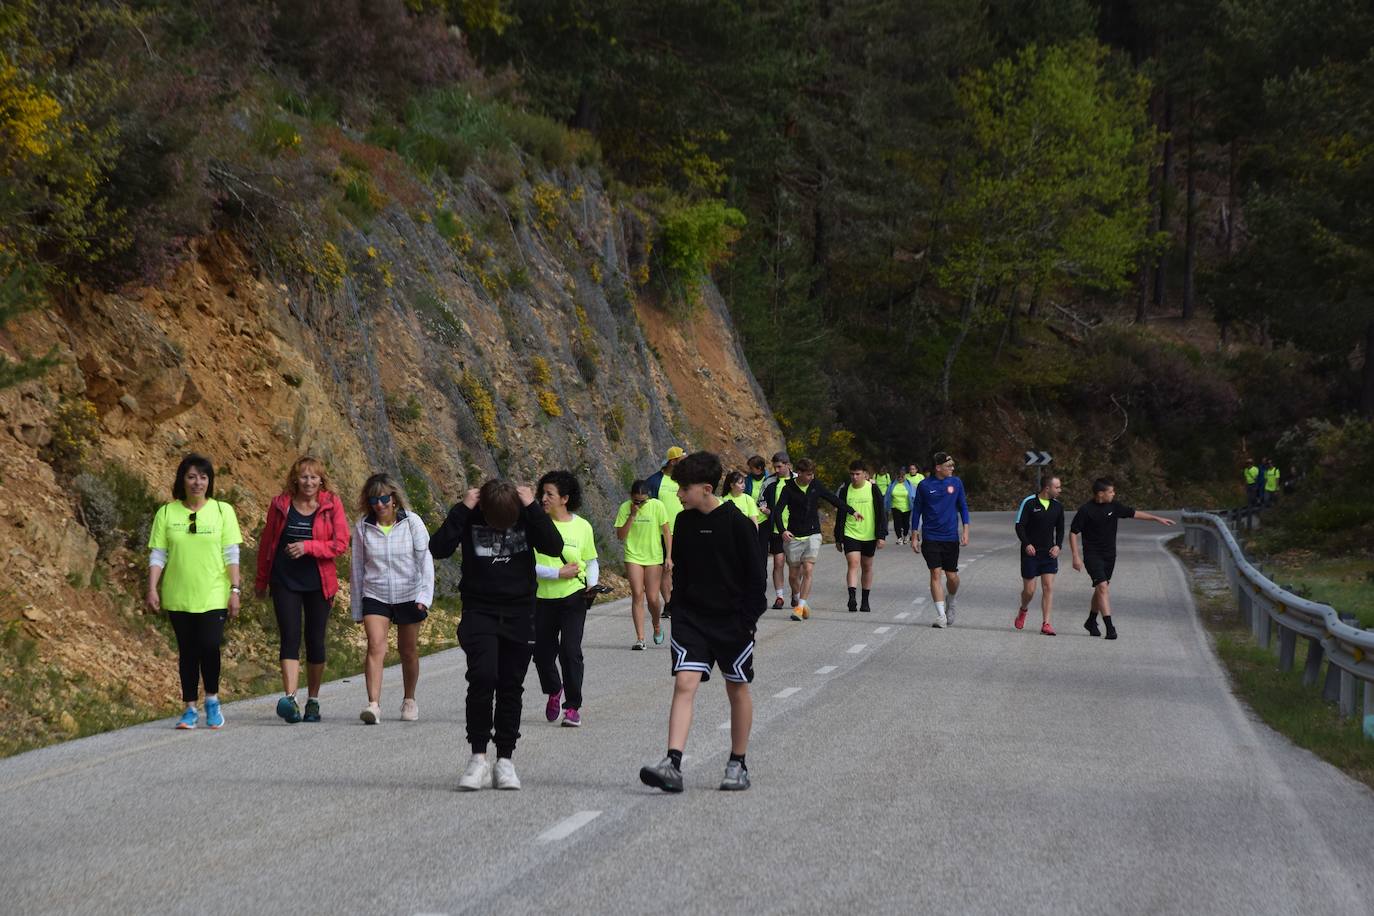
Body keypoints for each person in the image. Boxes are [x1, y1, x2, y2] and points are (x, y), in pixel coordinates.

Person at [639, 451, 766, 793]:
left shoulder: (739, 524)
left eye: (684, 488)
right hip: (691, 619)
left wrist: (746, 622)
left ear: (707, 488)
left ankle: (737, 763)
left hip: (732, 622)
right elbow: (682, 571)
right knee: (684, 684)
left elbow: (756, 581)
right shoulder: (684, 522)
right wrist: (677, 608)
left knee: (736, 687)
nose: (678, 494)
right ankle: (672, 763)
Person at [432, 479, 562, 791]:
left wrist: (532, 507)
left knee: (510, 684)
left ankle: (505, 760)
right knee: (482, 676)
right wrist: (462, 510)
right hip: (479, 610)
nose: (501, 529)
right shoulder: (469, 513)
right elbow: (438, 548)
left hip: (520, 612)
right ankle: (478, 758)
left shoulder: (527, 513)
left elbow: (554, 547)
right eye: (494, 523)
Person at [146, 453, 243, 730]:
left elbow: (231, 553)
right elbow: (158, 554)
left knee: (210, 645)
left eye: (203, 477)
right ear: (182, 480)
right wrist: (152, 587)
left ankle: (212, 699)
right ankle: (190, 707)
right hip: (178, 594)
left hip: (213, 592)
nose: (197, 482)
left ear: (209, 481)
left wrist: (234, 589)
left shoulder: (223, 511)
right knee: (187, 651)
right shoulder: (166, 513)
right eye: (191, 476)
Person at [255, 456, 350, 724]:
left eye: (313, 477)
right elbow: (268, 543)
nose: (308, 482)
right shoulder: (280, 504)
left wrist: (308, 547)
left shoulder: (332, 505)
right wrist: (261, 581)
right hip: (284, 579)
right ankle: (291, 699)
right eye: (304, 477)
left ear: (322, 480)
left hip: (319, 581)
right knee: (290, 636)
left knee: (315, 640)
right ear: (295, 479)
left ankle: (314, 700)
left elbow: (340, 544)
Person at [350, 473, 434, 724]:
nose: (380, 504)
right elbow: (356, 568)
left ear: (394, 499)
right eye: (374, 499)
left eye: (384, 498)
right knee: (376, 646)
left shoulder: (412, 523)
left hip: (409, 593)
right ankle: (373, 705)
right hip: (376, 594)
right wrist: (357, 608)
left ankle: (409, 699)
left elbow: (425, 560)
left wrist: (424, 596)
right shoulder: (363, 526)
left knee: (407, 650)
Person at [1069, 477, 1176, 640]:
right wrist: (1076, 556)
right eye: (1110, 491)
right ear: (1100, 493)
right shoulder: (1086, 510)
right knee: (1103, 587)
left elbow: (1134, 513)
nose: (1113, 494)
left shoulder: (1114, 507)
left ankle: (1091, 621)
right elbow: (1073, 532)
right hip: (1092, 555)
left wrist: (1156, 518)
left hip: (1110, 555)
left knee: (1100, 588)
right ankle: (1110, 628)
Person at [534, 470, 599, 728]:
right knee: (541, 654)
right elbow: (526, 566)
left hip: (573, 597)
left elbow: (591, 561)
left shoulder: (582, 526)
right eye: (542, 493)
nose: (543, 498)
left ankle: (572, 707)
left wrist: (592, 585)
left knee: (570, 651)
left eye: (549, 494)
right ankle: (553, 689)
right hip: (540, 598)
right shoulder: (535, 525)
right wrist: (556, 573)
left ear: (565, 498)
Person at [775, 457, 857, 620]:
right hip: (794, 535)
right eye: (808, 474)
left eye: (813, 474)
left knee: (808, 569)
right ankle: (801, 602)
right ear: (799, 473)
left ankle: (799, 607)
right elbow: (777, 511)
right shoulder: (788, 488)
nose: (811, 477)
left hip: (813, 533)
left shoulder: (816, 485)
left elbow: (833, 499)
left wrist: (852, 511)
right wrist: (783, 530)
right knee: (793, 575)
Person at [909, 452, 969, 629]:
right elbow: (917, 510)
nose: (952, 468)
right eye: (949, 465)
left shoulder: (956, 483)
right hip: (931, 536)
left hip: (950, 536)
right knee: (935, 573)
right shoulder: (924, 486)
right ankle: (941, 615)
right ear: (938, 467)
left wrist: (966, 529)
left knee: (952, 577)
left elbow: (963, 506)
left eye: (952, 465)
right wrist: (914, 534)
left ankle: (951, 599)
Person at [615, 480, 672, 649]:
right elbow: (620, 535)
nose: (639, 503)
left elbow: (667, 532)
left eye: (642, 501)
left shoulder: (657, 506)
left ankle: (656, 625)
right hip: (633, 556)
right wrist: (632, 515)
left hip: (654, 557)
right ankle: (640, 639)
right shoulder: (625, 508)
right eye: (636, 500)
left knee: (653, 598)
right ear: (631, 497)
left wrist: (668, 556)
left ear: (649, 497)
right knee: (637, 594)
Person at [1013, 476, 1064, 635]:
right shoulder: (1029, 502)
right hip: (1030, 552)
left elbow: (1061, 529)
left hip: (1048, 553)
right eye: (1057, 487)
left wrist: (1058, 546)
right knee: (1030, 591)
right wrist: (1027, 544)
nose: (1060, 490)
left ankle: (1046, 623)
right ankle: (1023, 609)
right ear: (1047, 488)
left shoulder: (1058, 506)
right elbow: (1019, 526)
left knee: (1048, 587)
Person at [834, 461, 887, 613]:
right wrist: (838, 537)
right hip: (850, 532)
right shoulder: (845, 490)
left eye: (858, 474)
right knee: (853, 563)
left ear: (865, 474)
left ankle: (865, 600)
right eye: (852, 474)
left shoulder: (873, 489)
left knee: (867, 566)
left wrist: (881, 535)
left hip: (869, 534)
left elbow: (881, 513)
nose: (855, 477)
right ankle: (852, 598)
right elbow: (841, 514)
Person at [645, 446, 686, 613]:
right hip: (662, 533)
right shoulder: (654, 481)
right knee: (666, 569)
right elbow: (648, 507)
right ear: (673, 461)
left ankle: (682, 600)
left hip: (684, 531)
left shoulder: (684, 480)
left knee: (684, 568)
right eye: (682, 460)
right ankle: (669, 604)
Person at [760, 451, 795, 609]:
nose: (777, 470)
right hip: (776, 529)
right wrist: (766, 509)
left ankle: (796, 594)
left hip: (796, 529)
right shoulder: (769, 481)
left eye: (780, 466)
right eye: (775, 467)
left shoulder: (798, 480)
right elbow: (760, 500)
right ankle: (779, 597)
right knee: (778, 563)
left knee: (794, 565)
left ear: (788, 465)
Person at [885, 471, 918, 546]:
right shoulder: (892, 484)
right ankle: (899, 538)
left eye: (902, 477)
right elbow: (888, 495)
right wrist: (887, 506)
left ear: (904, 477)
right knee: (897, 523)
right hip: (895, 506)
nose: (900, 478)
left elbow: (913, 494)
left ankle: (905, 536)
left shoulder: (909, 484)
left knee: (906, 523)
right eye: (898, 477)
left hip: (906, 507)